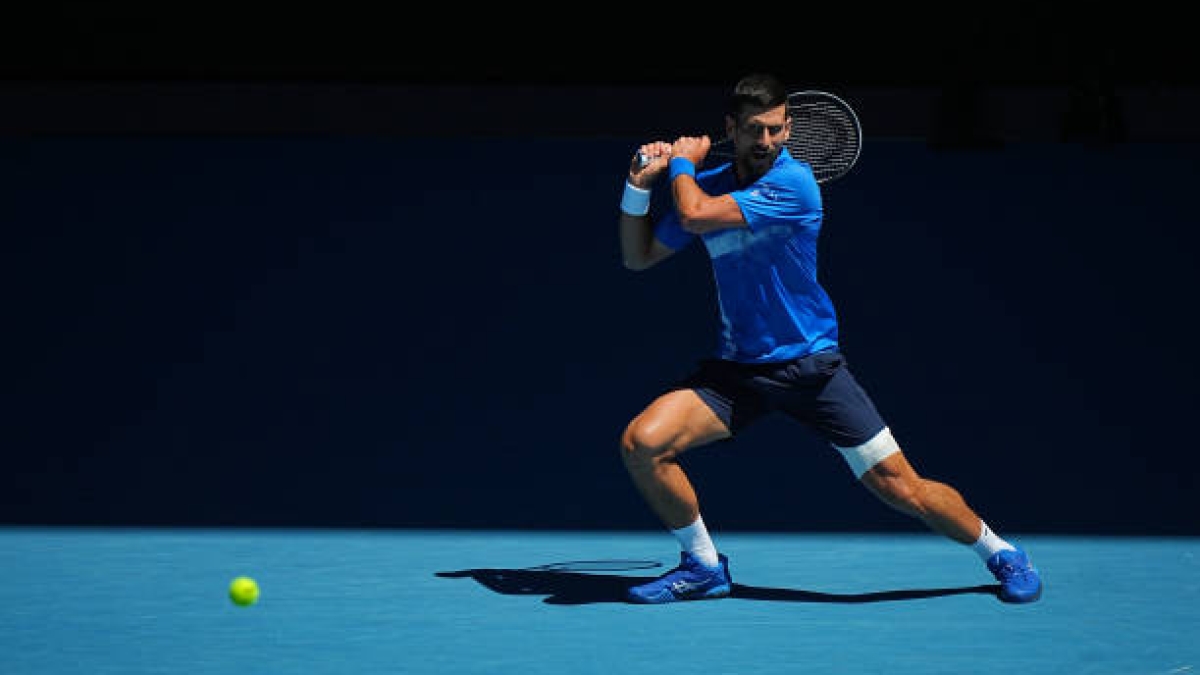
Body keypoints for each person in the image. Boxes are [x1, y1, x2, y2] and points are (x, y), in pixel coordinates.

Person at [614, 72, 1042, 605]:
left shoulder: (795, 185)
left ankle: (1000, 552)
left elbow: (695, 215)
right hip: (738, 371)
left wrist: (680, 163)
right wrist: (638, 185)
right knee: (643, 443)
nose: (764, 141)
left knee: (898, 486)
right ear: (732, 128)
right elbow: (639, 257)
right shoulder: (715, 181)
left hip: (810, 369)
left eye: (774, 129)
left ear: (789, 127)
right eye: (752, 130)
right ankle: (703, 566)